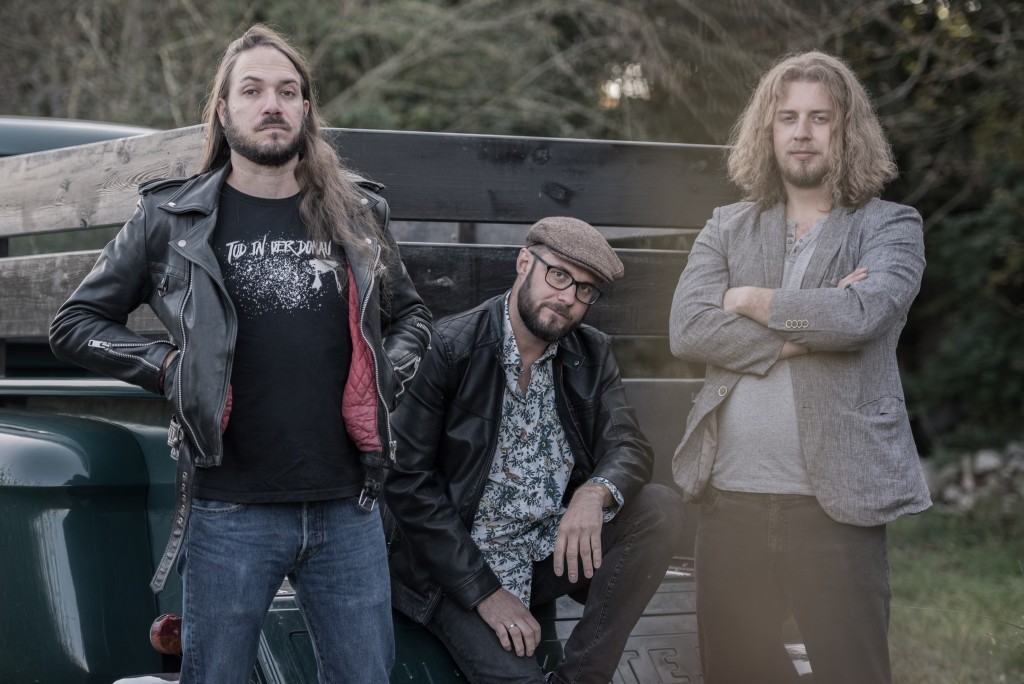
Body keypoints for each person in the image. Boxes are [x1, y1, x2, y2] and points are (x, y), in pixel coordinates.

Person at [49, 24, 431, 684]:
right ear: (223, 111)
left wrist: (382, 378)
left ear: (306, 108)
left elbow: (413, 318)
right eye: (252, 90)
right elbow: (76, 323)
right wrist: (170, 368)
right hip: (229, 509)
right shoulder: (171, 218)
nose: (271, 104)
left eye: (287, 91)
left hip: (350, 507)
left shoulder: (358, 213)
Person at [669, 50, 931, 683]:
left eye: (820, 117)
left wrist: (746, 300)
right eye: (788, 117)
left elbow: (860, 316)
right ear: (769, 130)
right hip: (730, 502)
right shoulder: (727, 226)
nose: (803, 132)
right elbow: (689, 328)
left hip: (836, 507)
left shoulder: (890, 226)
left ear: (847, 129)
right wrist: (801, 335)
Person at [384, 216, 686, 684]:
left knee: (658, 508)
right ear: (524, 263)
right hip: (454, 567)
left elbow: (627, 443)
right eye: (559, 275)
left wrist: (594, 494)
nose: (568, 297)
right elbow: (407, 483)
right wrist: (486, 593)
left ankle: (583, 676)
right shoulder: (451, 347)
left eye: (585, 289)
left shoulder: (591, 353)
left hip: (544, 548)